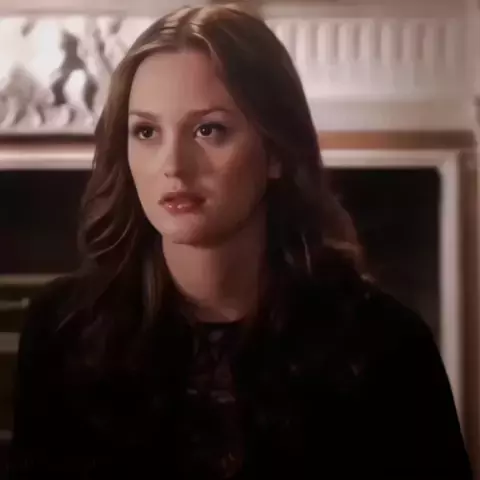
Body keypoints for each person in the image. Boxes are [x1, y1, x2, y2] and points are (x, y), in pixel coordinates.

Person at [7, 4, 472, 479]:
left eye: (208, 130)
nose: (173, 165)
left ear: (276, 152)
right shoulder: (64, 329)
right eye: (146, 131)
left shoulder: (384, 344)